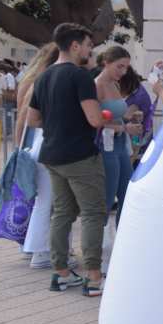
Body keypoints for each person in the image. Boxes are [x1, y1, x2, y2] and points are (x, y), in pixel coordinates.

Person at [27, 23, 110, 296]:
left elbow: (33, 119)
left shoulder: (43, 76)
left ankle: (61, 273)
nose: (91, 50)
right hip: (80, 156)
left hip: (51, 154)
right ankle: (94, 278)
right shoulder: (80, 77)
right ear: (75, 45)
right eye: (88, 45)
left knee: (61, 213)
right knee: (93, 214)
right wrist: (108, 116)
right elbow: (95, 119)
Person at [15, 44, 73, 269]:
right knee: (53, 204)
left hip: (37, 143)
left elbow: (23, 119)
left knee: (42, 202)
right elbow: (26, 119)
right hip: (48, 145)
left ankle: (35, 248)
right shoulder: (48, 82)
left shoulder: (36, 80)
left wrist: (19, 149)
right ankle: (44, 250)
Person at [94, 47, 141, 226]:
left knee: (127, 195)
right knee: (106, 199)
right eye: (119, 66)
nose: (123, 72)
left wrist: (130, 118)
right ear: (106, 64)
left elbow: (116, 116)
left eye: (126, 67)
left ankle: (121, 241)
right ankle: (97, 246)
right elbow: (94, 122)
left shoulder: (114, 84)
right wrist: (123, 128)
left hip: (120, 146)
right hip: (107, 147)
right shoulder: (97, 86)